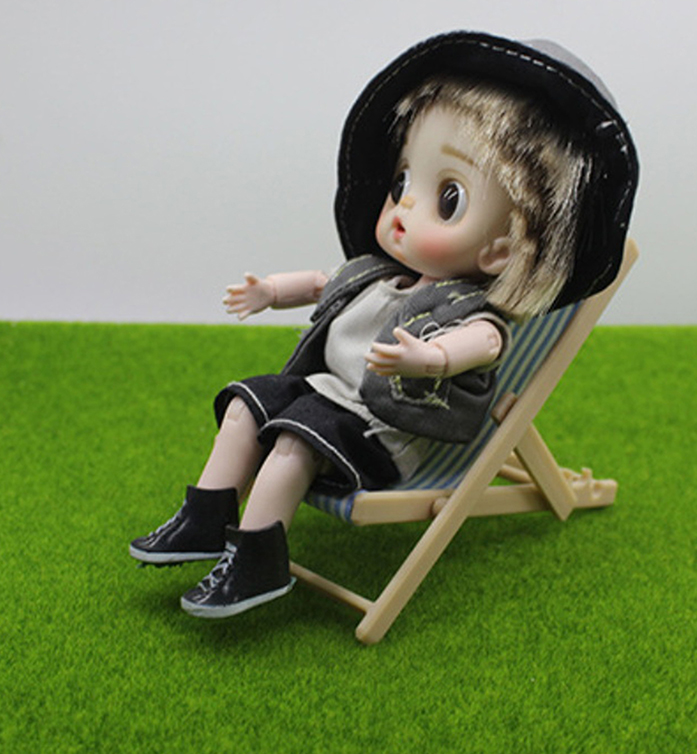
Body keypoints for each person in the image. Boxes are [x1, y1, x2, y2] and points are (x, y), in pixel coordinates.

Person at [129, 33, 638, 621]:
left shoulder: (467, 308)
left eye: (448, 198)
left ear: (502, 249)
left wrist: (432, 360)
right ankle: (205, 516)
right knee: (248, 405)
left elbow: (485, 343)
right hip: (325, 395)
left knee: (293, 439)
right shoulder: (377, 273)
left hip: (383, 432)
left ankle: (259, 558)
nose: (404, 207)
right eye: (401, 182)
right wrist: (270, 292)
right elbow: (320, 283)